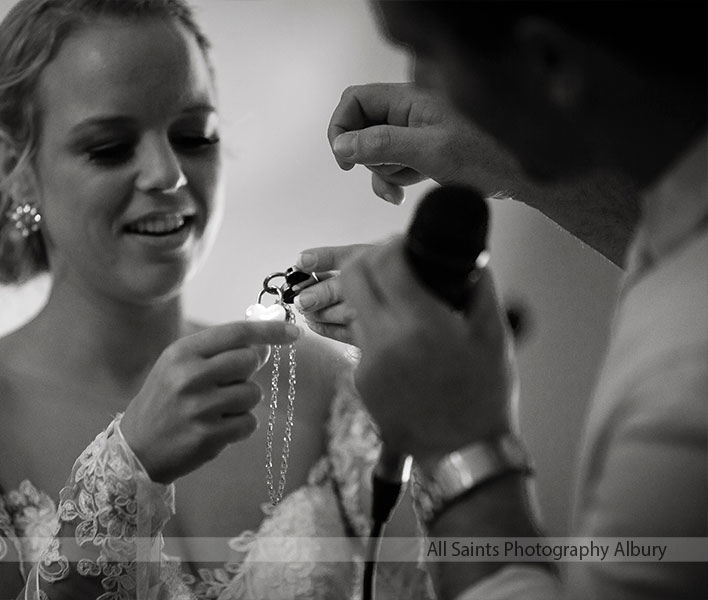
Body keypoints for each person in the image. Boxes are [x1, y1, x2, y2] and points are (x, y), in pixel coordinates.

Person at [0, 1, 424, 599]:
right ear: (16, 168)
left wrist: (439, 376)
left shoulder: (326, 384)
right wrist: (125, 475)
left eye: (194, 137)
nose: (169, 174)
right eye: (109, 147)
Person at [298, 1, 706, 599]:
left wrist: (455, 441)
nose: (415, 84)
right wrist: (520, 146)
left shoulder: (686, 385)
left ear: (549, 61)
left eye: (425, 54)